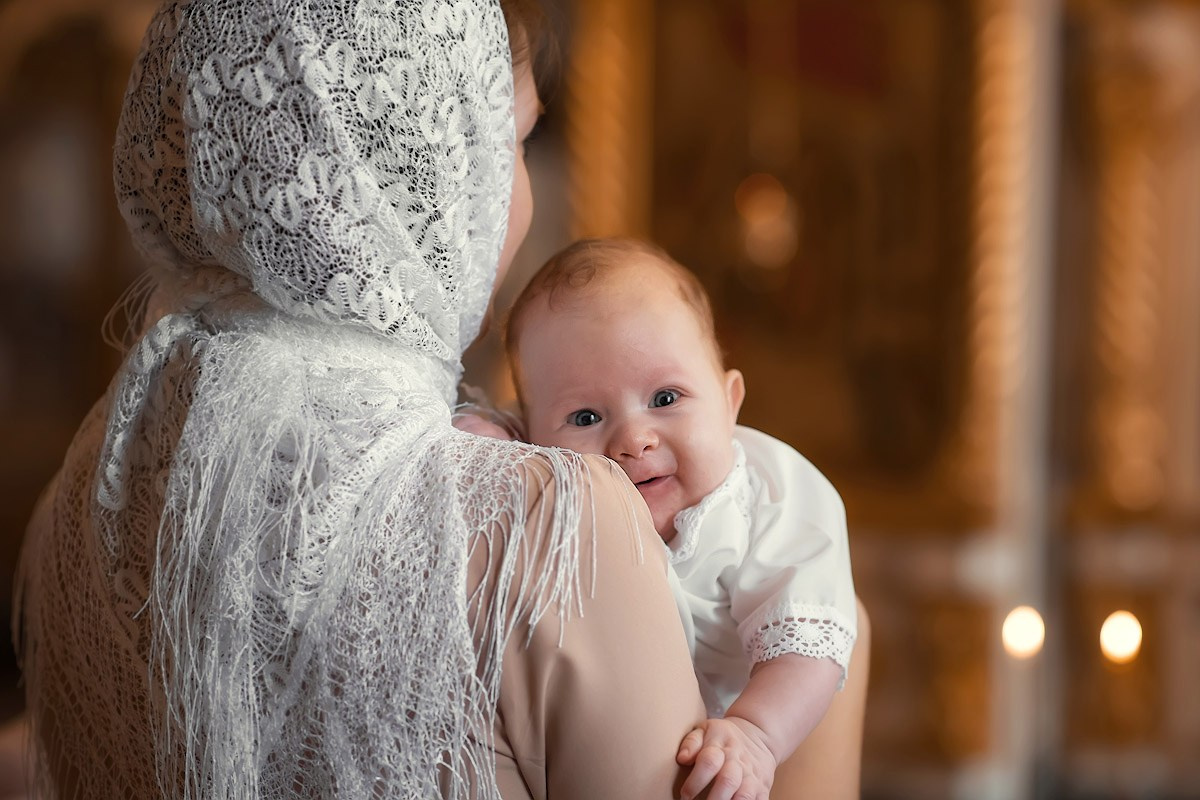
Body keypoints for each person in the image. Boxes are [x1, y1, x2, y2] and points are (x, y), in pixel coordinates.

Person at [13, 2, 868, 799]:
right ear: (411, 162)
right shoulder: (557, 520)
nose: (522, 199)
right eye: (513, 146)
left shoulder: (90, 486)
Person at [460, 237, 858, 799]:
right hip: (601, 731)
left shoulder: (774, 495)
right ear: (533, 430)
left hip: (737, 733)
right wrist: (489, 439)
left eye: (666, 398)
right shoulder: (556, 484)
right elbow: (494, 435)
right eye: (585, 415)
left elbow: (810, 646)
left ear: (729, 401)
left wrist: (757, 734)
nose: (634, 439)